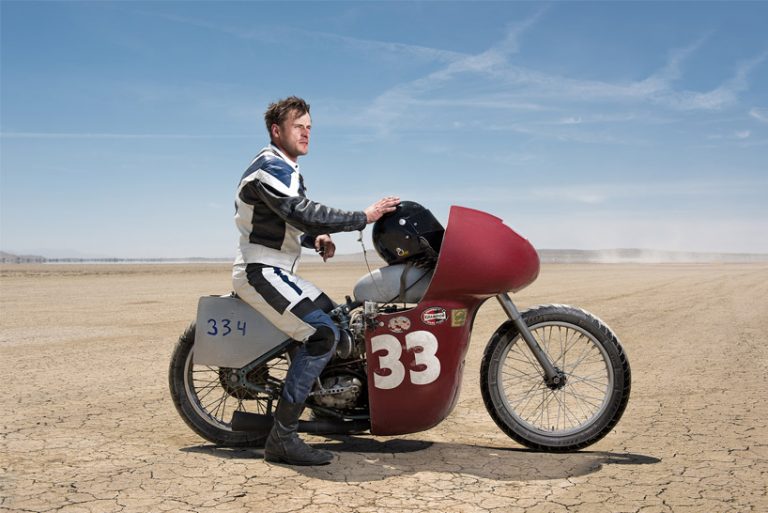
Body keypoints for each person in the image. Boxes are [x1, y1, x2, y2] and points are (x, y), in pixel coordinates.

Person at [232, 96, 399, 465]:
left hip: (278, 269)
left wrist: (313, 239)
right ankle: (283, 438)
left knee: (341, 319)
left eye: (309, 127)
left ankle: (327, 404)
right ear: (277, 131)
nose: (306, 133)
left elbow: (286, 220)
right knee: (321, 333)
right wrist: (363, 216)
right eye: (298, 126)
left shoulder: (286, 169)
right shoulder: (268, 167)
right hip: (260, 270)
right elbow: (301, 212)